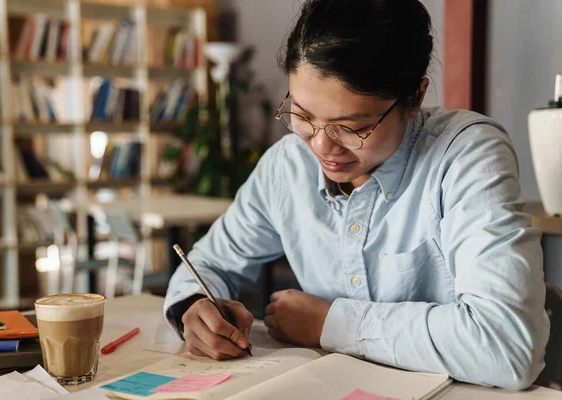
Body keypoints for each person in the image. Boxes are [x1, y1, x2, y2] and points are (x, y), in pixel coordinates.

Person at [163, 0, 549, 390]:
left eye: (351, 127)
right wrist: (193, 306)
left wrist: (330, 323)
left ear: (414, 98)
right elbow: (208, 263)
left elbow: (507, 345)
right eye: (302, 116)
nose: (322, 147)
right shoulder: (287, 167)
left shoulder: (464, 155)